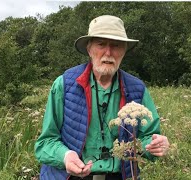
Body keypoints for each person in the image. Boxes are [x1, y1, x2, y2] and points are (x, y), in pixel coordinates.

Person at [34, 15, 170, 180]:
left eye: (116, 45)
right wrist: (66, 156)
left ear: (124, 51)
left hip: (120, 176)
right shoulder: (65, 85)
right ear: (89, 49)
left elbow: (147, 138)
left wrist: (155, 146)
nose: (108, 52)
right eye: (101, 44)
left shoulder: (137, 90)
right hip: (69, 175)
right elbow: (45, 143)